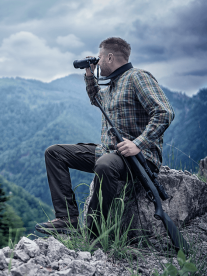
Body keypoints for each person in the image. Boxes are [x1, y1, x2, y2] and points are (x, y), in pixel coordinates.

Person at [35, 37, 175, 238]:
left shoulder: (138, 77)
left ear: (110, 57)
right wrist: (89, 73)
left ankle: (94, 232)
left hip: (137, 158)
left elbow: (164, 112)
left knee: (104, 164)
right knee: (55, 153)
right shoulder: (112, 85)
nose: (98, 61)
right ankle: (67, 219)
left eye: (99, 57)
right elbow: (96, 100)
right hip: (109, 153)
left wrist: (138, 144)